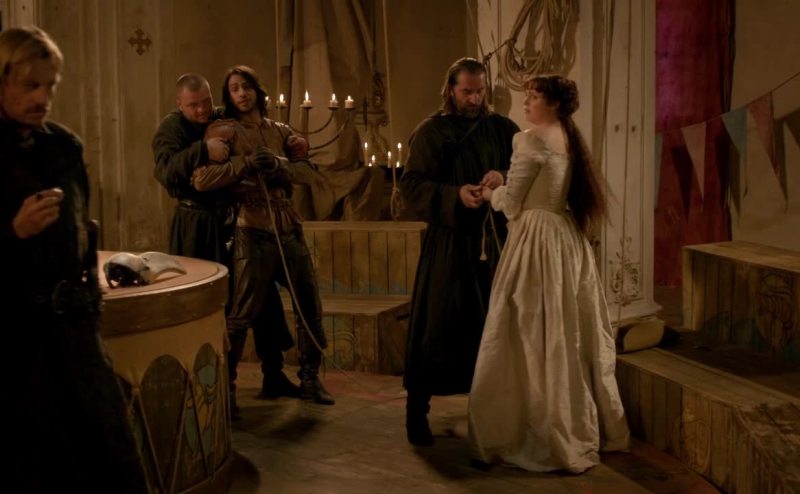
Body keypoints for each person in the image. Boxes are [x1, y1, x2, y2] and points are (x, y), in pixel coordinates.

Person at [0, 26, 148, 492]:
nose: (42, 98)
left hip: (75, 335)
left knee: (112, 459)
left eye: (50, 86)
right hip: (14, 344)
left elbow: (81, 234)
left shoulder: (64, 146)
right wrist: (12, 233)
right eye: (30, 85)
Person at [468, 75, 630, 473]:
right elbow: (536, 187)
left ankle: (531, 424)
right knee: (562, 330)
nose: (526, 103)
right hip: (564, 237)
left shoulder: (529, 139)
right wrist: (505, 181)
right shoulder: (568, 137)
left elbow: (512, 204)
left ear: (554, 104)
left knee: (526, 329)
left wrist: (489, 193)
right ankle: (565, 417)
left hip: (536, 240)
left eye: (534, 96)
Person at [153, 74, 299, 418]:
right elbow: (166, 171)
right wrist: (202, 150)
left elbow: (255, 125)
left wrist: (291, 137)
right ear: (179, 104)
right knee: (209, 304)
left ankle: (273, 372)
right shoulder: (171, 128)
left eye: (206, 102)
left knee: (260, 293)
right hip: (197, 225)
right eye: (193, 105)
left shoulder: (219, 116)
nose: (202, 110)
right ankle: (218, 387)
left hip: (233, 219)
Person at [192, 65, 335, 406]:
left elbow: (308, 173)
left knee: (309, 305)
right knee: (241, 314)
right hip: (251, 229)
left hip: (288, 227)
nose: (242, 94)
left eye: (247, 87)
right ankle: (225, 389)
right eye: (235, 89)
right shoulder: (222, 130)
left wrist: (279, 164)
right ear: (228, 97)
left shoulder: (281, 130)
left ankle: (310, 379)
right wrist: (245, 164)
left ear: (257, 90)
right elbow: (201, 180)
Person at [400, 57, 519, 446]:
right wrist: (455, 195)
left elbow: (525, 171)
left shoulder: (502, 129)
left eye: (480, 91)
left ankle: (487, 414)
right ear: (450, 89)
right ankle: (416, 413)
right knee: (437, 325)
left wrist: (503, 176)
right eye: (467, 91)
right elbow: (411, 186)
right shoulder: (431, 132)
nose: (474, 99)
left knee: (491, 328)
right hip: (450, 244)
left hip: (494, 243)